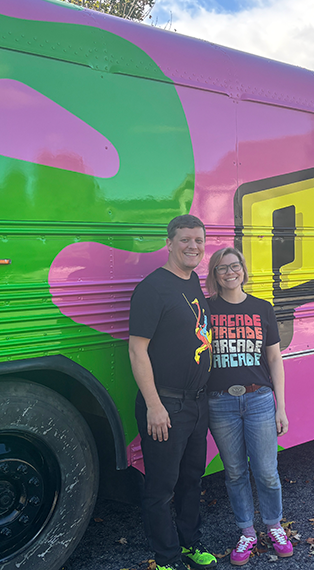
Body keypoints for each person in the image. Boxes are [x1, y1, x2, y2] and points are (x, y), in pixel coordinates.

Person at [129, 214, 217, 570]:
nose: (192, 246)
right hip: (166, 404)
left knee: (191, 479)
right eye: (185, 240)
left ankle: (189, 544)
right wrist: (154, 405)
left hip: (197, 404)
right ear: (169, 243)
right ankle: (166, 558)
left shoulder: (193, 281)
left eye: (198, 240)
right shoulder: (153, 288)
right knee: (161, 487)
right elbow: (137, 350)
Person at [205, 247, 293, 566]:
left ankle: (273, 526)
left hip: (259, 399)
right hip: (221, 403)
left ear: (243, 269)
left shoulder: (261, 308)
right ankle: (247, 533)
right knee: (235, 472)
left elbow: (274, 359)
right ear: (214, 275)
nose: (230, 272)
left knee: (267, 472)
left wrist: (280, 407)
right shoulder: (206, 310)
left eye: (235, 265)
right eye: (222, 268)